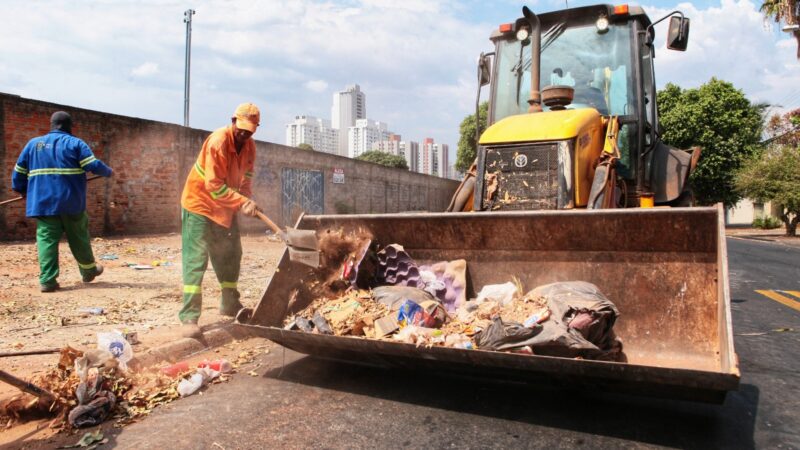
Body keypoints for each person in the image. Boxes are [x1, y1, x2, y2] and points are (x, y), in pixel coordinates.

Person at [179, 103, 261, 338]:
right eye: (242, 129)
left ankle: (229, 303)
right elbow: (213, 186)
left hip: (224, 208)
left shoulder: (250, 147)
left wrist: (246, 199)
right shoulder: (218, 142)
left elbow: (246, 180)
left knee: (231, 253)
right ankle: (189, 317)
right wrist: (240, 203)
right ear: (233, 121)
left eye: (250, 130)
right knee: (197, 259)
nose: (244, 134)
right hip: (200, 205)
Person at [11, 111, 113, 292]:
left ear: (51, 125)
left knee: (46, 241)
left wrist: (22, 190)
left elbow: (18, 172)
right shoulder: (76, 143)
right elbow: (93, 165)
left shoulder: (33, 145)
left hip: (43, 204)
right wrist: (109, 172)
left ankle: (48, 281)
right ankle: (89, 271)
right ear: (70, 126)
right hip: (71, 202)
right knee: (79, 237)